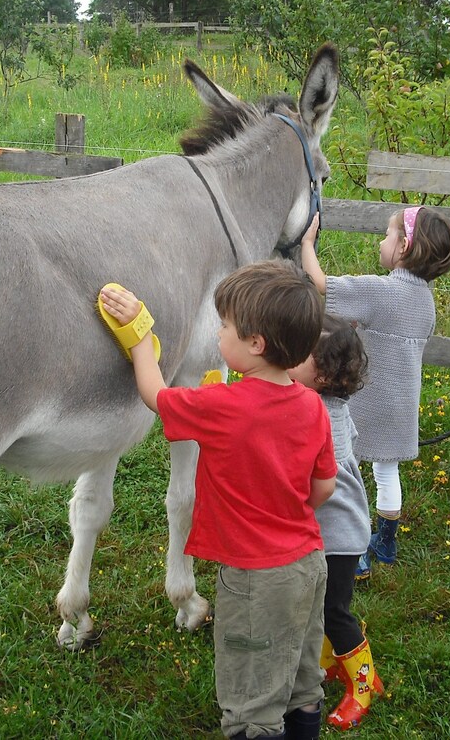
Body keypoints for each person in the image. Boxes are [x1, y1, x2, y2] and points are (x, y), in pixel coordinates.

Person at [98, 260, 337, 740]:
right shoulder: (311, 404)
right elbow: (323, 488)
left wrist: (141, 336)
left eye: (224, 325)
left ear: (255, 344)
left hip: (255, 579)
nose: (218, 333)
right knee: (302, 682)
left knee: (253, 700)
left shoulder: (221, 407)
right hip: (309, 564)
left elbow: (156, 395)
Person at [300, 206, 450, 578]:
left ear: (404, 246)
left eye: (387, 236)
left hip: (365, 404)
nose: (381, 242)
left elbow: (321, 283)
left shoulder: (382, 290)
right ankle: (385, 542)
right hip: (401, 406)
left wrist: (307, 243)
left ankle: (353, 551)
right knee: (387, 474)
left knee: (349, 471)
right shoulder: (426, 303)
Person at [287, 313, 385, 730]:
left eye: (297, 354)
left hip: (339, 536)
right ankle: (330, 660)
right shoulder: (325, 404)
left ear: (322, 375)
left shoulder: (320, 416)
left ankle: (365, 681)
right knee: (318, 602)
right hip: (327, 530)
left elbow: (316, 476)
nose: (285, 356)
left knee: (333, 609)